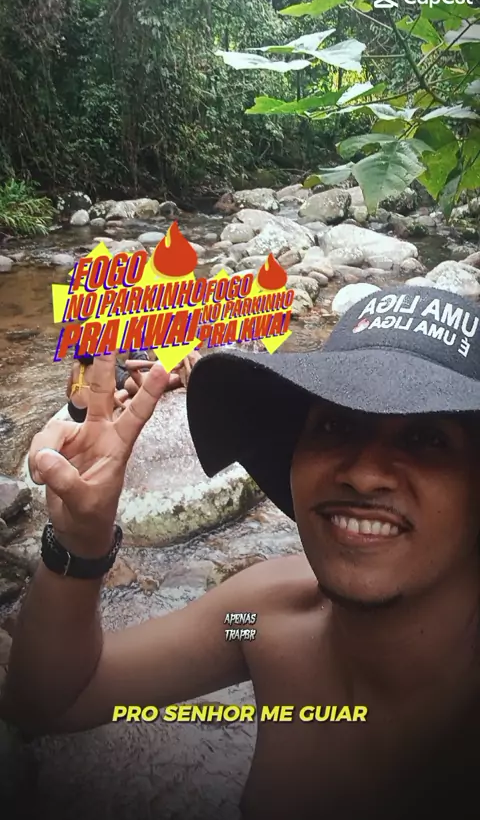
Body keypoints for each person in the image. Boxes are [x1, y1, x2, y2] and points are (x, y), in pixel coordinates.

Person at [2, 284, 480, 820]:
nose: (365, 474)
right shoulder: (258, 622)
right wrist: (81, 542)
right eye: (335, 426)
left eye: (426, 439)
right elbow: (56, 701)